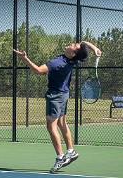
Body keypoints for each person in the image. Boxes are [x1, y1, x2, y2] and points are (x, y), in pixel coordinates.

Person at [13, 41, 102, 173]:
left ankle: (60, 157)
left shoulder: (58, 63)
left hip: (55, 96)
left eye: (74, 46)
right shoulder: (74, 59)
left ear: (73, 53)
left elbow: (38, 70)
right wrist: (95, 48)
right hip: (64, 94)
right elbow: (83, 43)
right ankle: (71, 151)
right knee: (62, 122)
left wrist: (24, 58)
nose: (72, 43)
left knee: (51, 126)